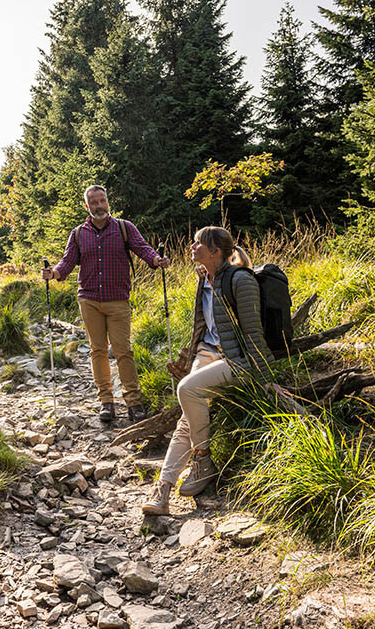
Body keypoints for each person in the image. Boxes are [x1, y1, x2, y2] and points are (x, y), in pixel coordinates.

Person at [141, 226, 306, 516]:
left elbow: (253, 334)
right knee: (186, 419)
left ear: (215, 251)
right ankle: (163, 490)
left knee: (187, 390)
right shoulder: (204, 277)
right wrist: (188, 354)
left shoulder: (241, 281)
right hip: (207, 353)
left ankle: (203, 460)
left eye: (197, 244)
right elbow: (205, 326)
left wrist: (266, 380)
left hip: (236, 360)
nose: (192, 247)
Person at [42, 185, 169, 423]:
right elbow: (67, 262)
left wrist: (156, 260)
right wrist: (54, 273)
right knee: (97, 351)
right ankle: (106, 402)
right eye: (94, 202)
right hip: (89, 300)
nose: (99, 206)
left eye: (103, 201)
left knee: (123, 351)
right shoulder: (78, 233)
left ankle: (134, 403)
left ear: (108, 202)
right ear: (87, 206)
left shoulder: (124, 228)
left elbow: (143, 249)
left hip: (118, 299)